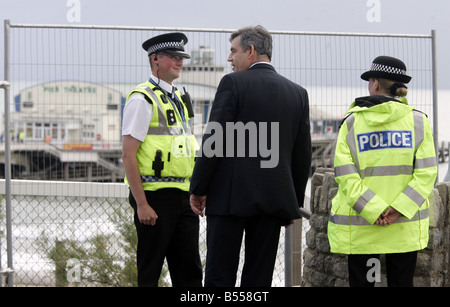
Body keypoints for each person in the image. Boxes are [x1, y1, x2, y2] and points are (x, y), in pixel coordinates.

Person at [189, 25, 312, 287]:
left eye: (233, 51)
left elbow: (214, 140)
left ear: (251, 51)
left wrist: (198, 188)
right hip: (273, 201)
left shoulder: (232, 83)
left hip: (229, 199)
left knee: (219, 276)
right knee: (259, 279)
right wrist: (293, 203)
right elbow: (302, 156)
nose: (229, 58)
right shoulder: (298, 93)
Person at [327, 56, 438, 287]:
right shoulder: (419, 122)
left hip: (362, 229)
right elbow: (427, 173)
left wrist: (374, 209)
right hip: (403, 229)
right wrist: (397, 209)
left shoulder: (351, 124)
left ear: (375, 83)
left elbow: (345, 175)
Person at [121, 32, 202, 287]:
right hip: (155, 197)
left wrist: (197, 190)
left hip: (183, 195)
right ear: (155, 59)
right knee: (150, 270)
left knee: (189, 272)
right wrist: (142, 204)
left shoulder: (178, 97)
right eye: (173, 57)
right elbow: (127, 153)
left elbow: (188, 146)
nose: (180, 62)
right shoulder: (142, 98)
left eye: (182, 57)